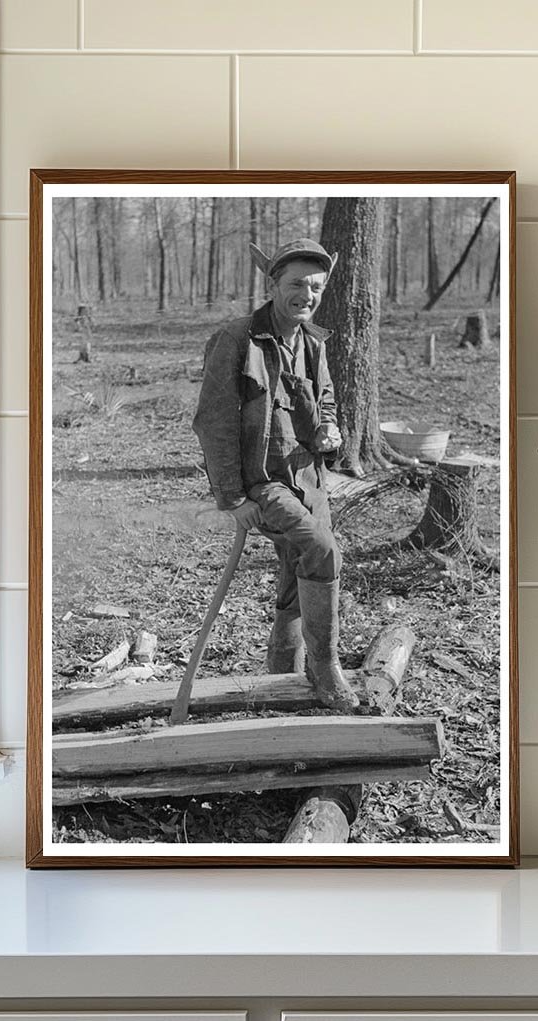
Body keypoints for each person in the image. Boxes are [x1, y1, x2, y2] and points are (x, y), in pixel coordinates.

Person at [193, 238, 359, 713]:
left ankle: (281, 682)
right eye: (296, 285)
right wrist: (232, 498)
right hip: (263, 484)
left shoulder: (313, 342)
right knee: (323, 550)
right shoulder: (236, 339)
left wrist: (330, 430)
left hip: (309, 478)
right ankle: (326, 672)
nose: (306, 295)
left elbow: (325, 402)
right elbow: (214, 422)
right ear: (273, 285)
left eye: (316, 286)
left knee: (297, 576)